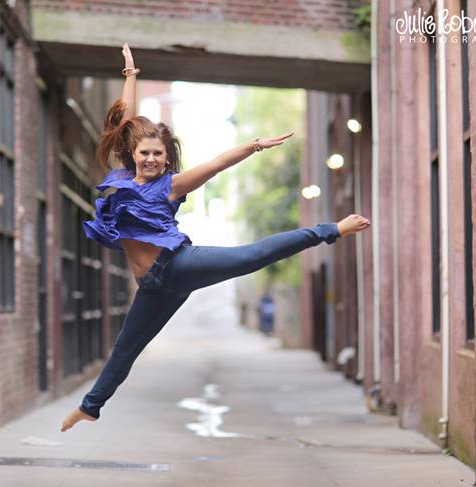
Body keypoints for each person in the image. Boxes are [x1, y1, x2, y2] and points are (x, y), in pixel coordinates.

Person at [61, 44, 370, 432]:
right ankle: (91, 406)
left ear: (166, 157)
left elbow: (216, 164)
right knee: (126, 347)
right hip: (153, 287)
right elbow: (123, 120)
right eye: (145, 153)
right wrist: (131, 76)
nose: (152, 159)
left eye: (158, 154)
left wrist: (253, 146)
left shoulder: (171, 185)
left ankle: (331, 230)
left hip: (178, 265)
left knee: (251, 256)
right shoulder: (120, 181)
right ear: (133, 153)